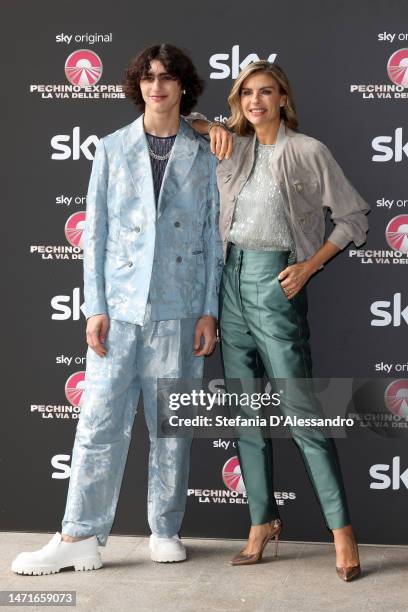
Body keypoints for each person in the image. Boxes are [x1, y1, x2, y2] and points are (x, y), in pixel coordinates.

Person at [11, 43, 223, 575]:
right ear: (137, 86)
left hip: (179, 309)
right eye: (149, 78)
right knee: (99, 422)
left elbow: (213, 238)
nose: (158, 87)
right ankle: (79, 534)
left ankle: (165, 528)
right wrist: (95, 306)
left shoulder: (204, 152)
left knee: (171, 427)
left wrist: (208, 310)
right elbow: (96, 234)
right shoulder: (110, 148)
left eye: (168, 78)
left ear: (182, 87)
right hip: (121, 309)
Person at [188, 61, 369, 582]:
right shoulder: (233, 147)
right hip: (230, 284)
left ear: (283, 99)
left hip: (276, 281)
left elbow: (354, 217)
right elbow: (183, 122)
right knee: (246, 415)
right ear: (238, 100)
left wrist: (308, 266)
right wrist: (214, 126)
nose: (257, 102)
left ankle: (342, 532)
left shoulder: (308, 151)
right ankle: (261, 522)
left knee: (302, 413)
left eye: (266, 92)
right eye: (247, 93)